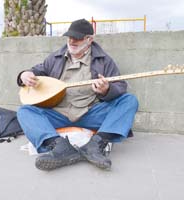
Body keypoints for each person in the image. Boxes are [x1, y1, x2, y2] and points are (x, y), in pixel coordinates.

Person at [17, 19, 138, 171]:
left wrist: (106, 90)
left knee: (129, 101)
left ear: (89, 39)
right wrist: (25, 75)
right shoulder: (55, 57)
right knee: (25, 111)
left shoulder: (104, 61)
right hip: (58, 113)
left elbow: (120, 86)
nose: (72, 41)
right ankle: (59, 147)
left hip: (89, 113)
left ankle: (95, 145)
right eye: (69, 37)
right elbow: (37, 71)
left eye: (78, 37)